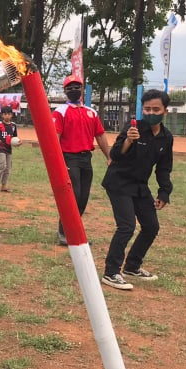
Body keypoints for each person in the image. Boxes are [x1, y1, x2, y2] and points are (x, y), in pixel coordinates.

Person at [101, 89, 173, 291]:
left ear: (165, 111)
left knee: (151, 226)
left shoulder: (166, 137)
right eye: (147, 109)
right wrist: (128, 141)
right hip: (119, 182)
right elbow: (115, 155)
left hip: (140, 186)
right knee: (126, 226)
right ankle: (111, 272)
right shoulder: (133, 128)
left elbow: (164, 168)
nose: (151, 113)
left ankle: (132, 266)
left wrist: (164, 192)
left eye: (155, 109)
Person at [52, 76, 111, 246]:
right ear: (65, 91)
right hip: (70, 158)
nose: (73, 90)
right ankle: (64, 232)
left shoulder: (91, 112)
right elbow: (55, 137)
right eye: (69, 88)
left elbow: (99, 135)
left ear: (82, 89)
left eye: (77, 87)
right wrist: (56, 160)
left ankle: (73, 231)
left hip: (86, 159)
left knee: (83, 197)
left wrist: (109, 156)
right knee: (73, 196)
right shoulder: (60, 111)